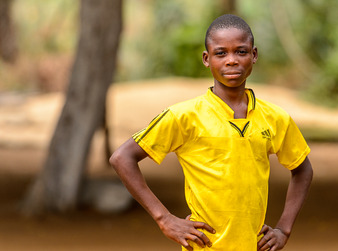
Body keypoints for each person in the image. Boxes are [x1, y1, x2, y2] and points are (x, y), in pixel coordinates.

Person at [110, 14, 313, 251]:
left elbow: (302, 168)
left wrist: (283, 229)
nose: (231, 60)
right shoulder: (184, 116)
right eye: (221, 53)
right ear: (207, 59)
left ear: (254, 55)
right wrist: (164, 219)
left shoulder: (276, 118)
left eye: (241, 51)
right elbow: (122, 158)